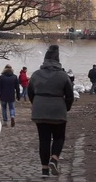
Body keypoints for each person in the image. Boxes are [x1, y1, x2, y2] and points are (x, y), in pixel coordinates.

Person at [28, 45, 74, 177]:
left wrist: (37, 104)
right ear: (58, 60)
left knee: (44, 140)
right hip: (58, 110)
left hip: (40, 111)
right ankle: (54, 158)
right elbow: (69, 95)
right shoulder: (63, 76)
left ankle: (44, 170)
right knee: (59, 137)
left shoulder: (36, 75)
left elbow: (30, 93)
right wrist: (66, 107)